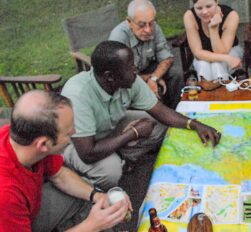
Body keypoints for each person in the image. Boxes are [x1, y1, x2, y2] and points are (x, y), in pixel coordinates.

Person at [61, 40, 221, 191]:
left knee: (159, 125)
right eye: (130, 67)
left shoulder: (128, 80)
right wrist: (133, 134)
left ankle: (118, 154)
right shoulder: (78, 95)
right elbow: (88, 153)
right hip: (78, 146)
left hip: (107, 130)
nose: (136, 70)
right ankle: (85, 186)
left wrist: (195, 124)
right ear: (110, 76)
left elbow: (160, 111)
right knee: (111, 172)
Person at [0, 90, 131, 231]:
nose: (75, 131)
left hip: (28, 208)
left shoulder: (22, 138)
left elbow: (58, 174)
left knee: (85, 190)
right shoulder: (6, 195)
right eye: (68, 133)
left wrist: (97, 195)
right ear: (43, 144)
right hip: (12, 215)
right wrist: (91, 226)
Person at [109, 0, 182, 109]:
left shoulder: (155, 28)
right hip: (126, 77)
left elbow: (167, 58)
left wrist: (154, 78)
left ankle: (175, 110)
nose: (148, 30)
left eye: (151, 23)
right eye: (142, 25)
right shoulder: (118, 38)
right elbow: (120, 76)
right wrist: (150, 78)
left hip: (146, 67)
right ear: (129, 22)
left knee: (175, 73)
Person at [183, 0, 243, 86]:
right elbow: (197, 53)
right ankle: (207, 94)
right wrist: (227, 58)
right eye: (199, 8)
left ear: (216, 2)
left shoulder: (231, 15)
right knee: (203, 64)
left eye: (208, 6)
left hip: (230, 51)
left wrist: (213, 29)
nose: (204, 12)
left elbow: (222, 52)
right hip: (204, 55)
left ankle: (223, 93)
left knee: (217, 65)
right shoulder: (189, 16)